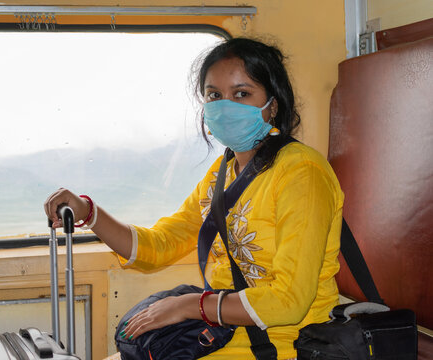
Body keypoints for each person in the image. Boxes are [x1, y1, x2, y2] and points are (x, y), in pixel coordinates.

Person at [44, 38, 344, 360]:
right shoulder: (222, 173)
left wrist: (189, 306)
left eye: (241, 94)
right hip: (224, 331)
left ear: (273, 104)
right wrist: (89, 212)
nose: (226, 106)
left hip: (284, 342)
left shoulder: (302, 172)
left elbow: (289, 301)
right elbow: (157, 246)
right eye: (215, 95)